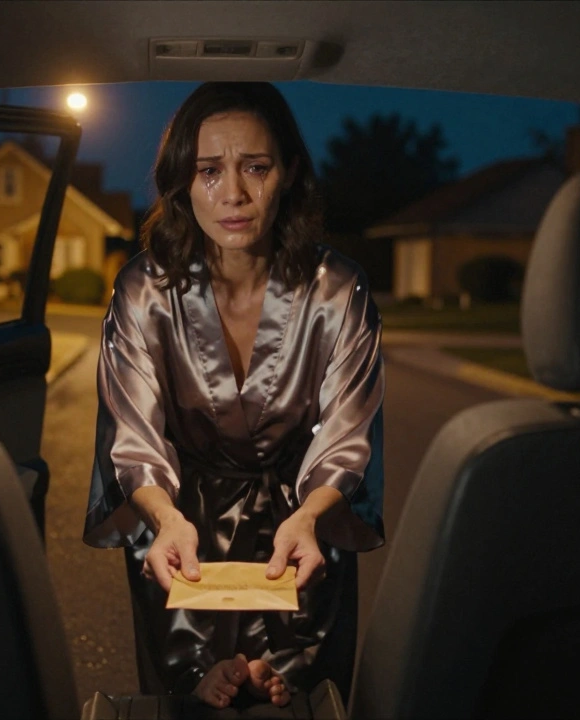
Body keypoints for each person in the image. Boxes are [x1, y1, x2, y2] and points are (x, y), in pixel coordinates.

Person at [83, 81, 385, 710]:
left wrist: (309, 517)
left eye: (256, 167)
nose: (235, 194)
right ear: (181, 183)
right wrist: (163, 520)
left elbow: (347, 435)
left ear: (290, 172)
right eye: (208, 171)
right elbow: (131, 431)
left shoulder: (339, 290)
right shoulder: (144, 289)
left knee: (294, 704)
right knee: (189, 703)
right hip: (180, 525)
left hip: (302, 528)